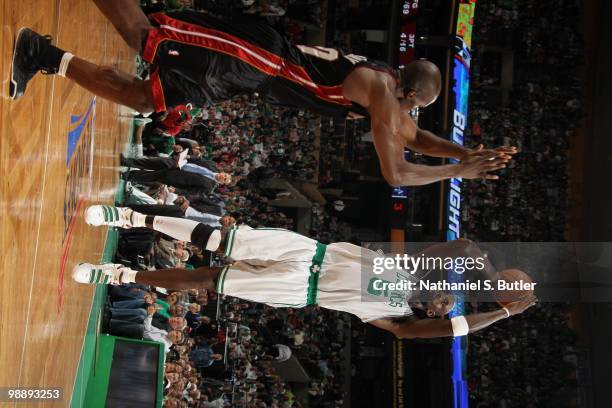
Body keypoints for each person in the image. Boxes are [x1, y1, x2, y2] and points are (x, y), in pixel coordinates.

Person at [10, 0, 515, 186]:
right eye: (416, 106)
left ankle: (43, 55)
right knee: (145, 37)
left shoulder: (392, 99)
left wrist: (467, 153)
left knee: (148, 99)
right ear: (407, 92)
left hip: (251, 75)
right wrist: (458, 171)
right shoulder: (381, 92)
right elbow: (396, 170)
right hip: (257, 58)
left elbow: (418, 140)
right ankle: (40, 54)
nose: (411, 116)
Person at [73, 205, 537, 339]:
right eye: (447, 299)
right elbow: (466, 247)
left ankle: (116, 275)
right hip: (309, 253)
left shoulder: (397, 318)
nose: (444, 305)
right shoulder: (416, 269)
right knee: (215, 241)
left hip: (298, 289)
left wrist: (502, 314)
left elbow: (447, 331)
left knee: (207, 280)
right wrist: (495, 281)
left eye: (445, 310)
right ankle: (132, 217)